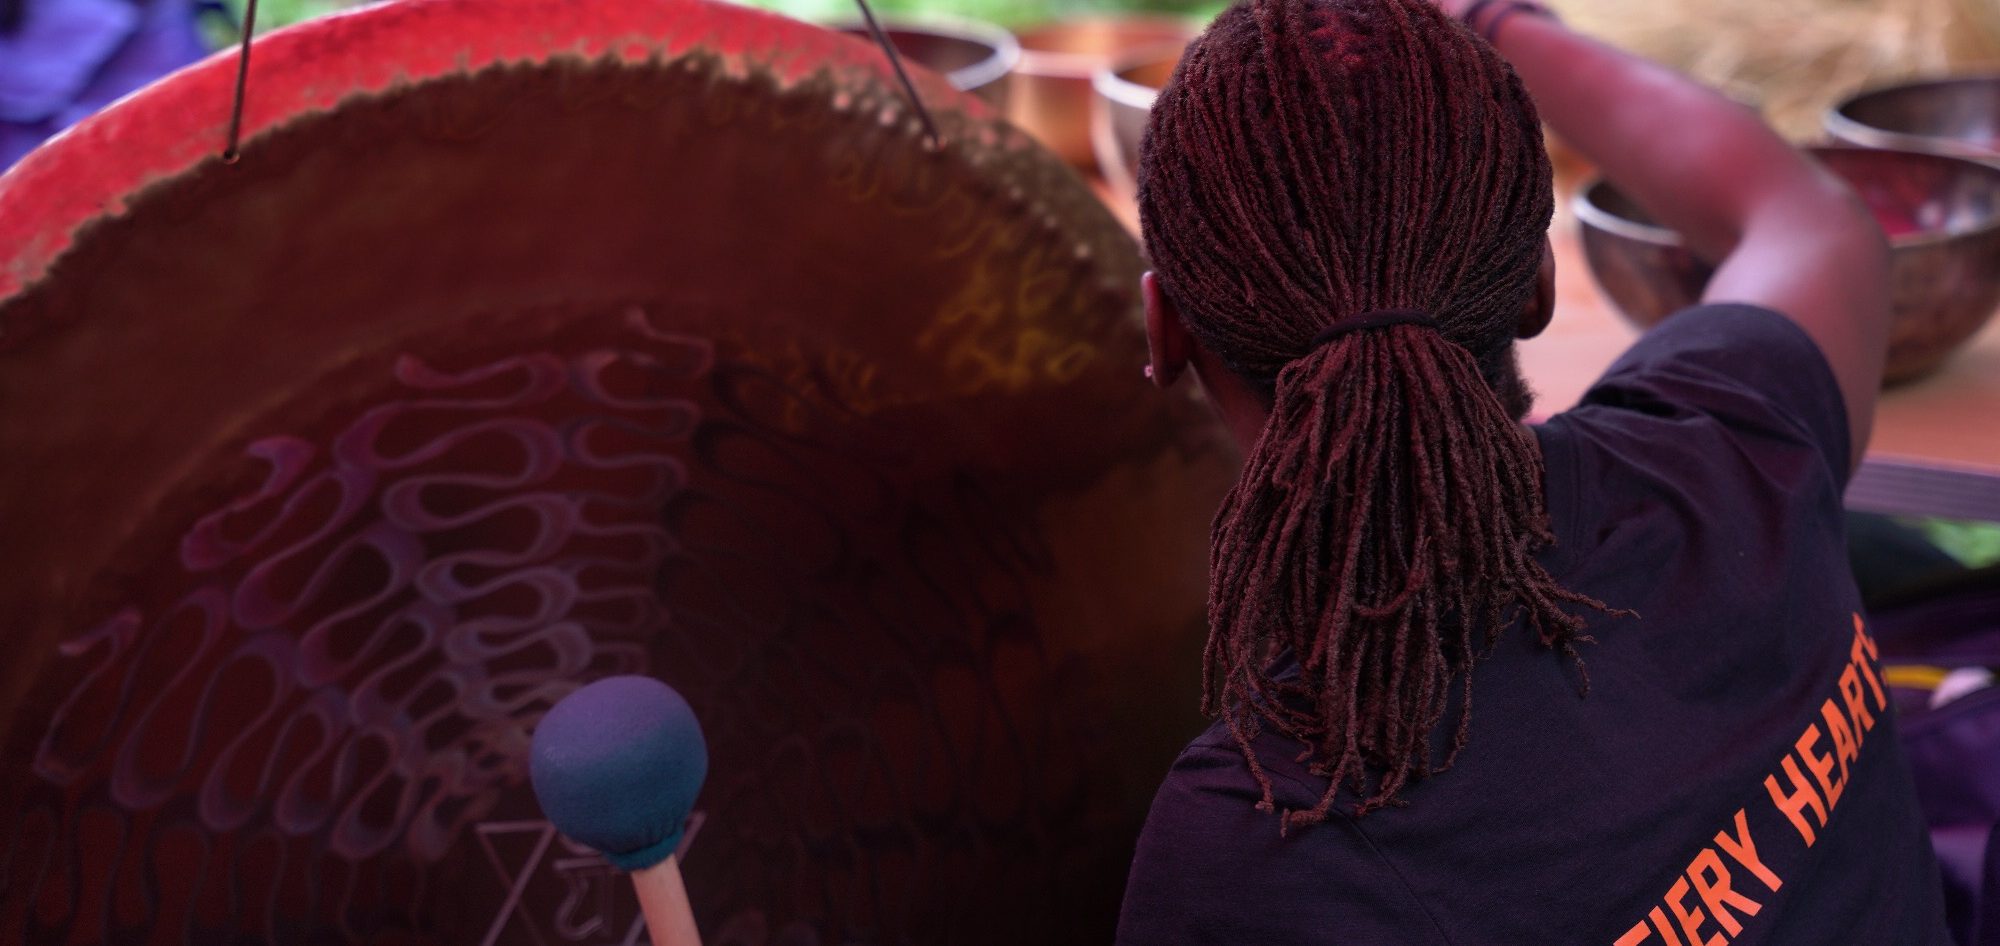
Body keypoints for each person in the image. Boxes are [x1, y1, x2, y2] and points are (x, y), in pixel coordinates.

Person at [1116, 0, 1952, 941]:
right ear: (1540, 283)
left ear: (1166, 330)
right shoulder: (1726, 448)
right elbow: (1808, 216)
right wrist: (1493, 19)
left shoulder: (1261, 846)